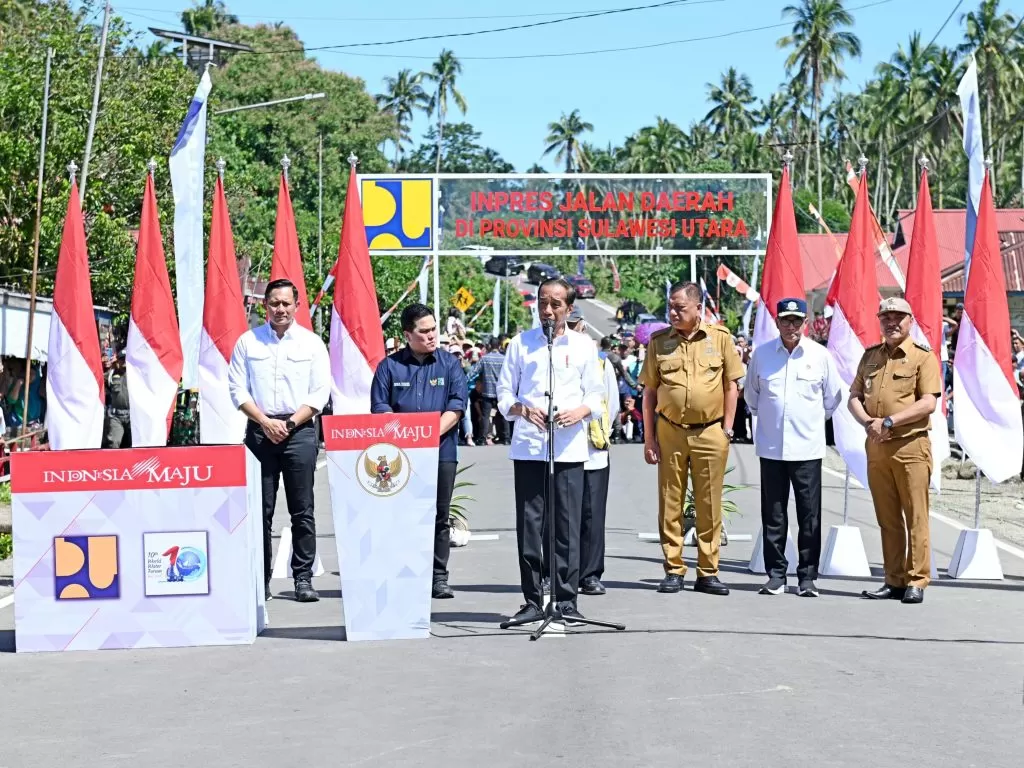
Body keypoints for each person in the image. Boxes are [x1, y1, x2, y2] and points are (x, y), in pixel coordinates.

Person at [497, 278, 604, 626]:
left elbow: (596, 395)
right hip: (530, 447)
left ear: (569, 308)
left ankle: (566, 599)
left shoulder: (584, 345)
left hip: (569, 448)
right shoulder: (521, 344)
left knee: (566, 527)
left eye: (555, 304)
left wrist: (580, 412)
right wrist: (523, 410)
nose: (547, 310)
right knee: (530, 526)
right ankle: (532, 599)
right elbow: (503, 394)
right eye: (543, 302)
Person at [228, 278, 331, 603]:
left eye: (286, 303)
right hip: (260, 431)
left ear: (296, 306)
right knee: (260, 511)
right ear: (265, 306)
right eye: (274, 303)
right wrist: (264, 422)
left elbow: (319, 393)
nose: (280, 309)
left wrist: (288, 423)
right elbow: (237, 389)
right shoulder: (248, 342)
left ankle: (303, 579)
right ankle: (260, 582)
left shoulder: (312, 344)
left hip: (299, 431)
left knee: (303, 510)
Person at [640, 281, 743, 596]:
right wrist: (649, 438)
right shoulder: (659, 342)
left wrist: (727, 428)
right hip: (670, 430)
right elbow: (649, 392)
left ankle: (708, 572)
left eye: (680, 307)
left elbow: (731, 385)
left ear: (698, 308)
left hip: (710, 431)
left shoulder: (719, 338)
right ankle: (674, 569)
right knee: (670, 501)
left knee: (708, 503)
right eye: (670, 307)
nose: (673, 313)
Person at [744, 298, 842, 597]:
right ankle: (776, 575)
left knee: (809, 517)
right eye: (786, 320)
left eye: (797, 320)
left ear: (805, 323)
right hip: (771, 449)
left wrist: (807, 422)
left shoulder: (820, 355)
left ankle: (807, 577)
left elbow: (832, 399)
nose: (791, 326)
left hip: (807, 450)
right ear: (777, 322)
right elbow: (752, 397)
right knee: (773, 515)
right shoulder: (762, 355)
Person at [370, 303, 469, 599]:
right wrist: (408, 439)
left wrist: (427, 435)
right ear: (407, 335)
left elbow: (456, 406)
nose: (431, 336)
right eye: (424, 331)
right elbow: (380, 408)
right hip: (400, 457)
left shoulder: (449, 364)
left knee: (439, 515)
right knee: (401, 516)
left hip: (441, 453)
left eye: (434, 329)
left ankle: (438, 577)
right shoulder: (389, 367)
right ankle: (404, 573)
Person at [848, 297, 941, 605]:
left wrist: (889, 421)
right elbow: (854, 396)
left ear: (910, 321)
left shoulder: (922, 357)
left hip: (910, 446)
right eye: (886, 317)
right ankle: (894, 579)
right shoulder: (871, 356)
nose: (891, 323)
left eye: (898, 317)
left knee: (916, 516)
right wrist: (868, 423)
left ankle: (916, 580)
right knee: (887, 518)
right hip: (877, 446)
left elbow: (928, 402)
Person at [565, 308, 620, 597]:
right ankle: (558, 573)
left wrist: (599, 432)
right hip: (562, 450)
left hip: (592, 449)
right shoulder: (551, 357)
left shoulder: (600, 361)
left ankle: (590, 574)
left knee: (592, 515)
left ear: (583, 327)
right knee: (560, 515)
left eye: (574, 325)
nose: (571, 330)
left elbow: (611, 404)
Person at [103, 352, 131, 448]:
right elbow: (98, 379)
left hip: (132, 416)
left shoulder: (136, 374)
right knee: (113, 443)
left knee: (135, 444)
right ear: (117, 360)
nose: (124, 361)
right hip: (116, 417)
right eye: (122, 359)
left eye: (126, 359)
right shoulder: (111, 374)